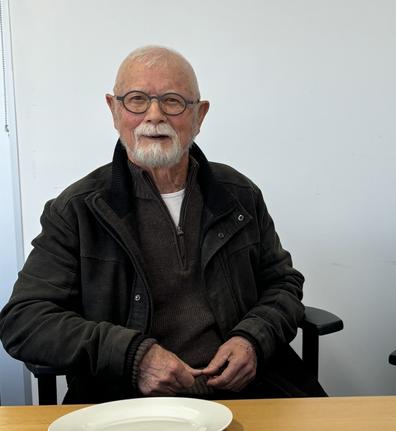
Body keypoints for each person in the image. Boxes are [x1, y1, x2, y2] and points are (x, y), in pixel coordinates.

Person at [0, 46, 325, 403]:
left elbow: (283, 284)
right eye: (136, 100)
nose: (154, 116)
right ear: (113, 110)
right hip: (125, 400)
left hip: (248, 392)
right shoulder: (77, 210)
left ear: (199, 115)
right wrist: (133, 356)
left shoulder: (240, 195)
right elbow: (24, 321)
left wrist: (252, 338)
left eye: (173, 101)